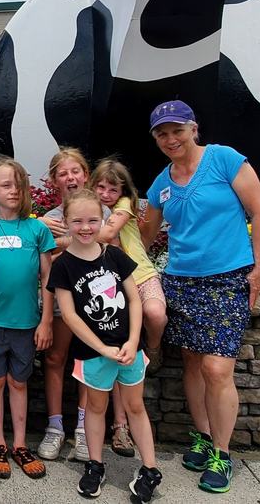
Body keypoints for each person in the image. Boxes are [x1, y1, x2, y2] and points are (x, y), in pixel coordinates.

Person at [142, 100, 260, 494]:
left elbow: (259, 212)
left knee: (217, 369)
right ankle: (200, 436)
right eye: (162, 133)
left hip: (227, 279)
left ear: (193, 128)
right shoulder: (161, 182)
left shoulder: (225, 160)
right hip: (180, 281)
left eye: (176, 130)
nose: (170, 138)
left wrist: (259, 270)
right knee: (194, 365)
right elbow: (144, 236)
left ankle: (222, 452)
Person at [48, 189, 162, 502]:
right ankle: (95, 464)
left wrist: (132, 340)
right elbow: (70, 315)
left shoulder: (114, 255)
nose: (85, 227)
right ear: (66, 221)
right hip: (93, 353)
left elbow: (134, 300)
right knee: (96, 408)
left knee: (136, 406)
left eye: (92, 220)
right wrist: (101, 347)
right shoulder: (63, 266)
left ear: (103, 220)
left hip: (128, 350)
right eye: (78, 221)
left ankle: (150, 468)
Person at [0, 158, 54, 480]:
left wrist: (46, 320)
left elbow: (48, 277)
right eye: (6, 184)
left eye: (18, 183)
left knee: (19, 382)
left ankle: (20, 443)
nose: (13, 190)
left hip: (27, 323)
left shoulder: (37, 229)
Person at [37, 148, 114, 462]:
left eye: (75, 171)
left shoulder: (104, 212)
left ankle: (84, 427)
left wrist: (65, 242)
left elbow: (108, 244)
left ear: (86, 174)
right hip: (61, 295)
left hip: (96, 300)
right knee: (55, 358)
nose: (70, 177)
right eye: (63, 173)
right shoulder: (50, 219)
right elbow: (44, 255)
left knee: (88, 363)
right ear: (55, 180)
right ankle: (55, 427)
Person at [90, 158, 167, 373]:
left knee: (154, 313)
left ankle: (153, 348)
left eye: (113, 189)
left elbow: (108, 233)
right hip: (109, 281)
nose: (105, 195)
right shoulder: (89, 209)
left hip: (140, 273)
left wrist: (71, 236)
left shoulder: (122, 205)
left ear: (122, 191)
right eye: (101, 187)